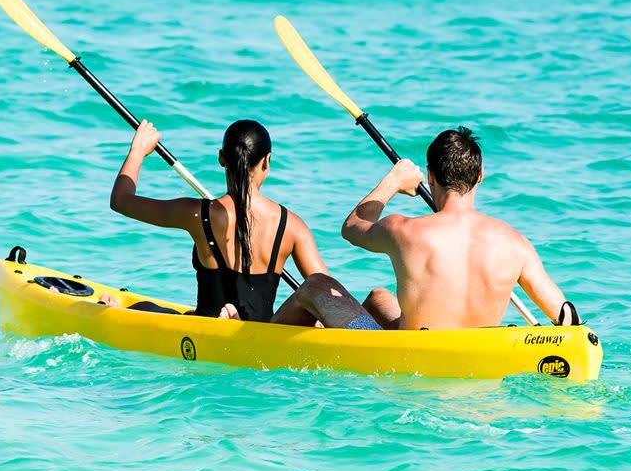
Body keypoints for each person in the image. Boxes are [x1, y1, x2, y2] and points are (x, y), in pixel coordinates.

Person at [110, 118, 378, 328]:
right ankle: (366, 332)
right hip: (264, 333)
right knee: (321, 288)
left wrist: (138, 150)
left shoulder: (195, 213)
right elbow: (329, 289)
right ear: (267, 162)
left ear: (221, 159)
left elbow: (121, 201)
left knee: (141, 308)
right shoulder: (291, 226)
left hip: (208, 328)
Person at [341, 126, 577, 329]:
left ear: (430, 176)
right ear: (480, 175)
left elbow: (352, 227)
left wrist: (394, 180)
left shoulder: (402, 229)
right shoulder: (516, 243)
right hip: (478, 356)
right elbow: (566, 317)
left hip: (419, 355)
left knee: (316, 286)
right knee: (378, 298)